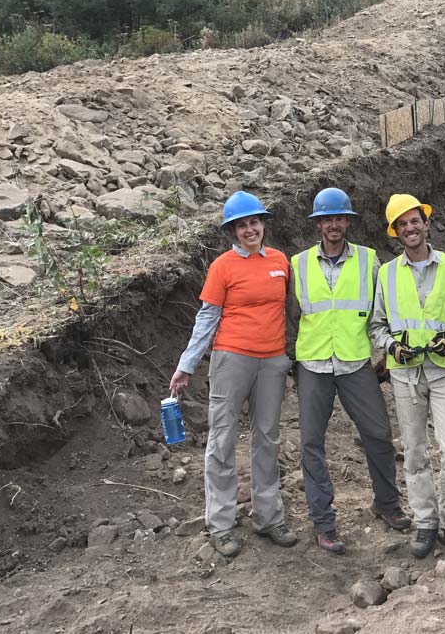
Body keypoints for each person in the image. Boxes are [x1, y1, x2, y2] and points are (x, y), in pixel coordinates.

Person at [169, 191, 297, 559]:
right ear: (233, 231)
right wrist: (186, 365)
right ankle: (221, 524)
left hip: (273, 360)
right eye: (242, 225)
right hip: (232, 360)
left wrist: (298, 355)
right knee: (222, 439)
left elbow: (290, 310)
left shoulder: (279, 261)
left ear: (263, 224)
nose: (250, 229)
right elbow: (207, 317)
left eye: (254, 222)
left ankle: (269, 517)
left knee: (267, 439)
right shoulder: (222, 266)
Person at [286, 186, 411, 555]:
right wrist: (292, 360)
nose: (333, 225)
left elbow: (384, 309)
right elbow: (291, 318)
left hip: (356, 362)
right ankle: (323, 523)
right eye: (327, 219)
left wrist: (385, 354)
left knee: (378, 433)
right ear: (318, 224)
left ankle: (386, 504)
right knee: (311, 443)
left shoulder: (369, 261)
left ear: (347, 222)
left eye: (339, 218)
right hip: (313, 364)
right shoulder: (299, 264)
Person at [369, 194, 445, 558]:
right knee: (415, 452)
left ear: (426, 222)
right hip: (405, 374)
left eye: (414, 220)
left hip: (444, 371)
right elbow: (377, 325)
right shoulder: (386, 274)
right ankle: (424, 522)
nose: (410, 228)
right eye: (402, 224)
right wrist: (391, 347)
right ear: (396, 232)